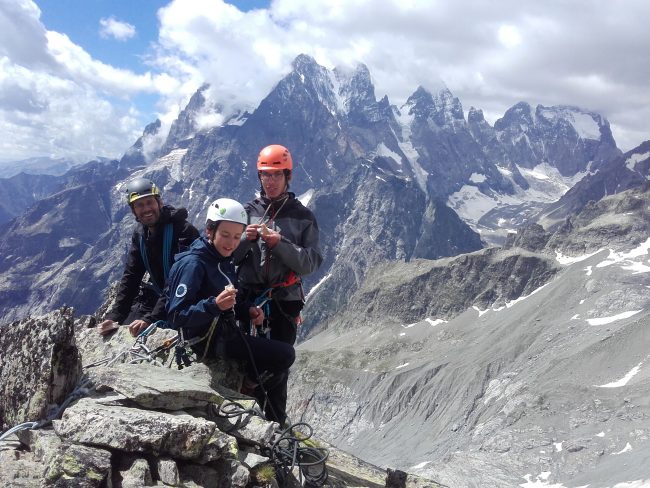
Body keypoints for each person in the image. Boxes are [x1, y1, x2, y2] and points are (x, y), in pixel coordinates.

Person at [164, 198, 296, 423]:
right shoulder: (194, 264)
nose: (231, 243)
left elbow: (230, 298)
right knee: (285, 356)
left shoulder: (220, 257)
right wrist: (213, 305)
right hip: (208, 341)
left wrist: (248, 310)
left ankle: (267, 411)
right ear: (209, 230)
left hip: (224, 332)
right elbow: (176, 316)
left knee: (279, 364)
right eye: (225, 235)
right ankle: (246, 389)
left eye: (237, 237)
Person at [233, 144, 323, 425]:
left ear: (287, 177)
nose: (270, 182)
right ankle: (245, 416)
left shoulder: (303, 217)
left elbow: (310, 263)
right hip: (248, 297)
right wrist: (245, 241)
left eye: (276, 175)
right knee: (246, 357)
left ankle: (274, 422)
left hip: (284, 300)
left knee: (279, 363)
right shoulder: (245, 213)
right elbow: (227, 256)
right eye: (265, 176)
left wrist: (280, 244)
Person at [98, 177, 200, 337]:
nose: (146, 209)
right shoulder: (140, 235)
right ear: (133, 210)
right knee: (125, 331)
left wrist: (152, 318)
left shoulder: (184, 231)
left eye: (149, 202)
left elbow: (180, 281)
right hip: (159, 297)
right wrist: (115, 316)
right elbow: (132, 275)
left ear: (159, 203)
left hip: (186, 299)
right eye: (139, 205)